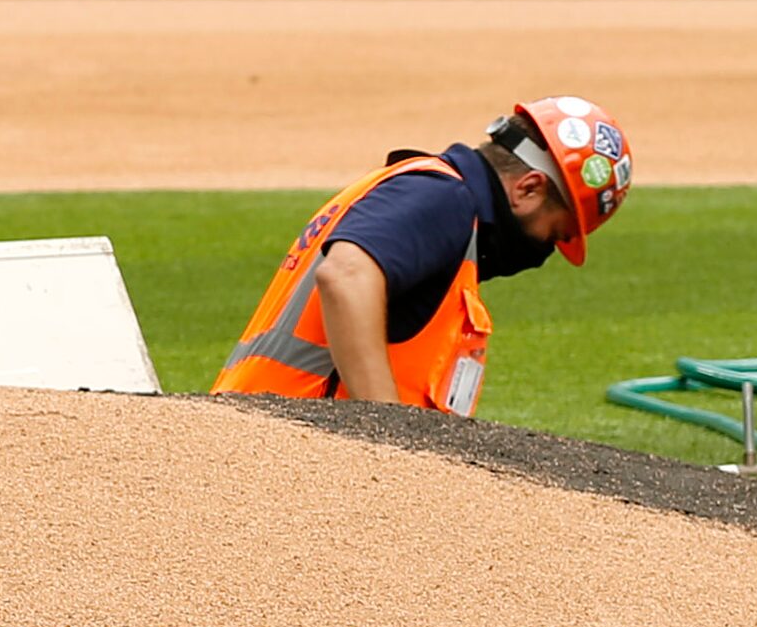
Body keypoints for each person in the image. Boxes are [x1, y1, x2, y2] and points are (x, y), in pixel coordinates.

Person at [215, 97, 632, 416]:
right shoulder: (441, 197)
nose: (544, 251)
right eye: (555, 232)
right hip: (286, 448)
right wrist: (389, 440)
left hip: (275, 436)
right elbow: (345, 275)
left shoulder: (445, 214)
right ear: (528, 190)